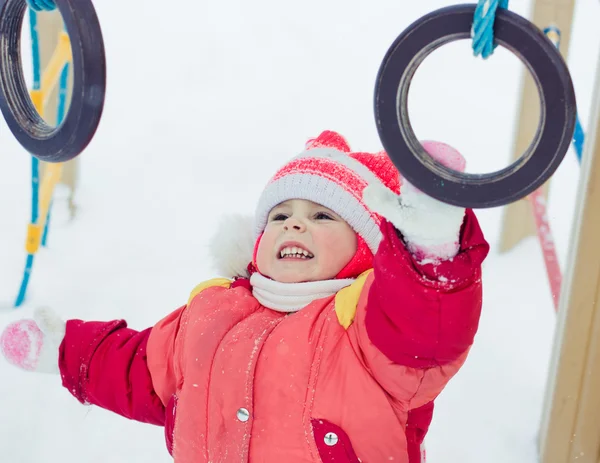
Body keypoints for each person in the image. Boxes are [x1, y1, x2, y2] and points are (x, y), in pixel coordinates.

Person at [1, 130, 489, 462]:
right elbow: (140, 368)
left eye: (323, 217)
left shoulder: (372, 330)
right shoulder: (216, 312)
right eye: (280, 216)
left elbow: (427, 324)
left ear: (365, 249)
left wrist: (432, 254)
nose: (295, 223)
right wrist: (67, 350)